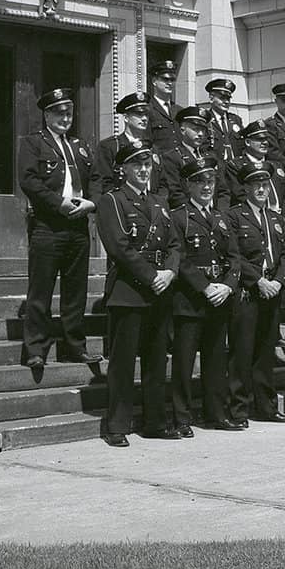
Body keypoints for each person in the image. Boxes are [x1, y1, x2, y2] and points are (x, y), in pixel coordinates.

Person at [96, 140, 180, 446]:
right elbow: (119, 246)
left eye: (147, 165)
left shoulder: (160, 202)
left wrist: (169, 272)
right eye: (137, 165)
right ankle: (116, 425)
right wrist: (151, 275)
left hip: (160, 289)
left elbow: (174, 244)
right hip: (129, 290)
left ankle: (155, 421)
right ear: (124, 169)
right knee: (123, 362)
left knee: (157, 359)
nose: (144, 171)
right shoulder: (112, 201)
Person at [18, 87, 101, 370]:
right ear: (47, 115)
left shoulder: (80, 146)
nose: (66, 118)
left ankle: (74, 346)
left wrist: (92, 204)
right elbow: (29, 181)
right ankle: (36, 349)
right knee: (41, 290)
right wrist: (58, 203)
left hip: (78, 225)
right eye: (60, 113)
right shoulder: (34, 143)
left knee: (76, 291)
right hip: (48, 225)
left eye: (69, 113)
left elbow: (97, 180)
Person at [169, 156, 242, 433]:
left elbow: (234, 258)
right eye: (200, 181)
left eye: (210, 181)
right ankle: (182, 418)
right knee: (185, 363)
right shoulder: (179, 216)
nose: (206, 186)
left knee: (215, 361)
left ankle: (217, 414)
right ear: (189, 185)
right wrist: (205, 286)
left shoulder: (222, 218)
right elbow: (180, 258)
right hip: (190, 299)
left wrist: (227, 285)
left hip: (219, 298)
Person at [228, 165, 285, 423]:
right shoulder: (235, 216)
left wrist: (278, 281)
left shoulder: (276, 219)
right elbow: (234, 255)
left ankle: (266, 408)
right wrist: (257, 281)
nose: (261, 190)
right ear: (245, 188)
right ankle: (238, 410)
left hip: (273, 291)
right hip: (248, 292)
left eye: (265, 185)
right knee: (242, 353)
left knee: (266, 352)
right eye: (256, 185)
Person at [94, 91, 167, 197]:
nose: (144, 118)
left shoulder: (153, 149)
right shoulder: (110, 146)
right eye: (139, 114)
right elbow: (103, 184)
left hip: (153, 207)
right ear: (126, 117)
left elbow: (163, 184)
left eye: (146, 114)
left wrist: (158, 204)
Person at [160, 105, 231, 212]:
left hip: (215, 215)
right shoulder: (172, 157)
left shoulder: (212, 157)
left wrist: (221, 214)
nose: (201, 134)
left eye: (203, 130)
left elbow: (223, 191)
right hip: (190, 216)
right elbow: (175, 194)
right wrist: (199, 212)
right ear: (183, 130)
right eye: (196, 129)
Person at [226, 119, 285, 210]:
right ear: (247, 142)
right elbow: (240, 196)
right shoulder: (236, 166)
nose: (265, 142)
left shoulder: (275, 165)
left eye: (266, 139)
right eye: (260, 139)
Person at [146, 60, 181, 153]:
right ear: (154, 81)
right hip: (161, 163)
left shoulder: (179, 110)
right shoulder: (147, 109)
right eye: (165, 79)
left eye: (172, 80)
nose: (169, 83)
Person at [205, 77, 243, 162]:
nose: (226, 102)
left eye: (228, 98)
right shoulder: (205, 120)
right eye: (222, 98)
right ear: (211, 98)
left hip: (235, 169)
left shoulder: (236, 120)